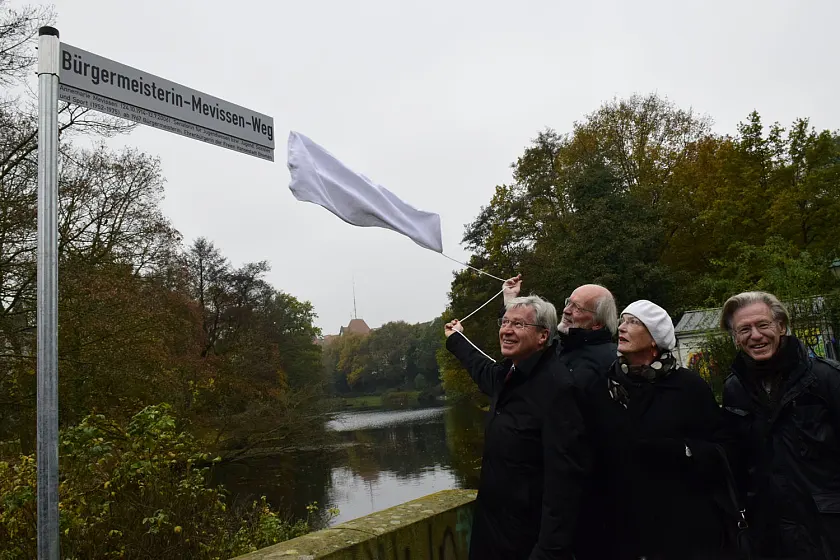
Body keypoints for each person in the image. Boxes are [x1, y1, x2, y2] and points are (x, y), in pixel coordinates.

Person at [445, 280, 617, 559]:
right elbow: (486, 372)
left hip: (527, 539)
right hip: (494, 530)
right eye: (504, 323)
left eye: (518, 325)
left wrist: (549, 550)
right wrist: (457, 339)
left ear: (542, 337)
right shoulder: (514, 374)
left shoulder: (560, 386)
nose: (506, 330)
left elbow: (564, 482)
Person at [720, 291, 840, 559]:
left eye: (763, 325)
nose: (755, 335)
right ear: (736, 338)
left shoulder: (826, 379)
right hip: (769, 536)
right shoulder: (734, 389)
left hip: (827, 531)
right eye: (744, 329)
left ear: (781, 326)